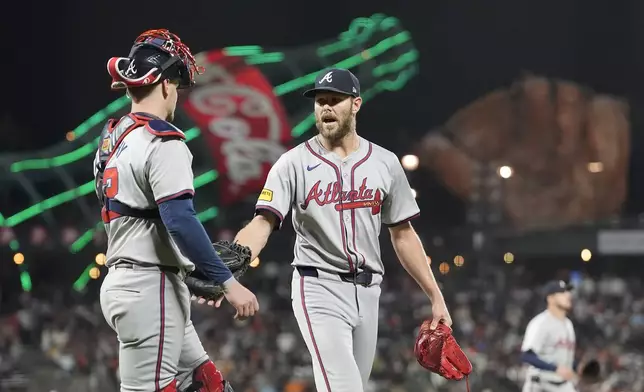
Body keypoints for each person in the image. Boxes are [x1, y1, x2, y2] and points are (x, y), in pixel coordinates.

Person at [222, 68, 452, 391]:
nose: (326, 107)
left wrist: (436, 297)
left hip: (369, 292)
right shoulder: (293, 163)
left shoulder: (384, 163)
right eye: (320, 101)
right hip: (318, 287)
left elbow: (403, 233)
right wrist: (239, 256)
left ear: (356, 104)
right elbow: (263, 221)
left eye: (335, 100)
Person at [93, 29, 258, 392]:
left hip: (136, 281)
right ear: (166, 85)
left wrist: (189, 266)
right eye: (178, 85)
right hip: (150, 288)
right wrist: (227, 283)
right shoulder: (163, 140)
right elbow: (179, 219)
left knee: (206, 384)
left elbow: (143, 218)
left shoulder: (112, 140)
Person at [520, 280, 578, 392]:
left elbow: (563, 356)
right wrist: (555, 368)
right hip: (540, 385)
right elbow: (527, 356)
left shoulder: (568, 324)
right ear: (550, 298)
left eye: (568, 292)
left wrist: (577, 367)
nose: (568, 295)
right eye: (562, 292)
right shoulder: (540, 323)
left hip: (563, 385)